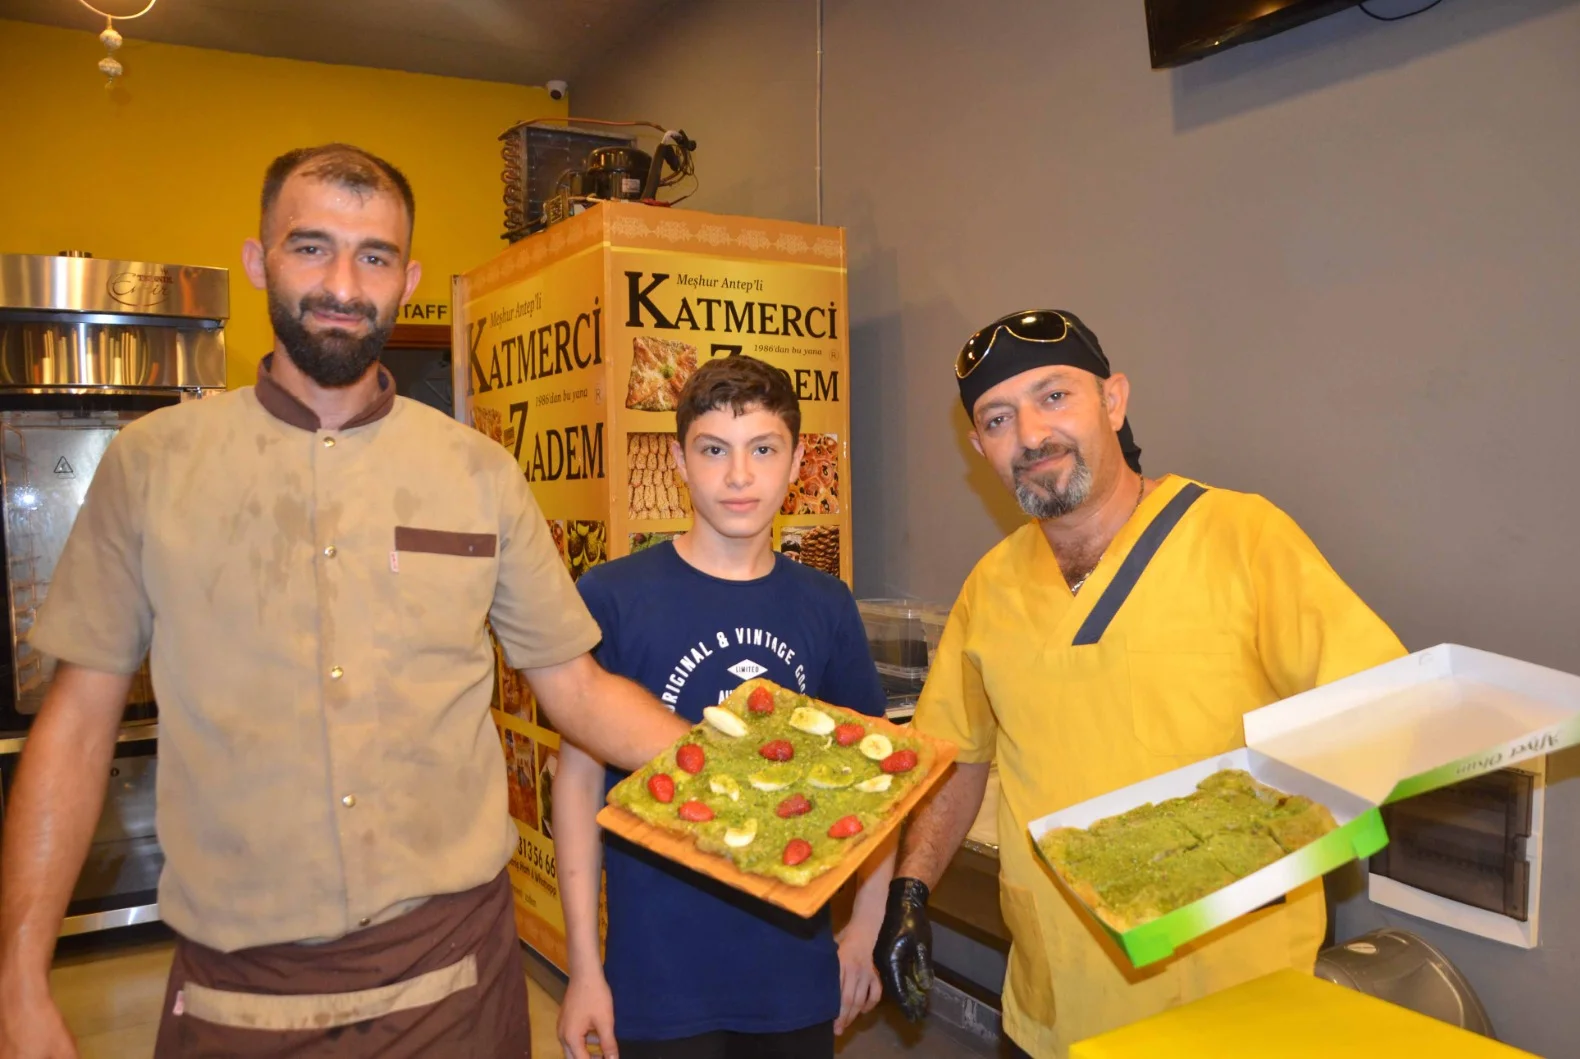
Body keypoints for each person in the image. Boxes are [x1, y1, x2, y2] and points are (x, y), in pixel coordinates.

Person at [0, 144, 686, 1059]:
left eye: (373, 257)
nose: (342, 285)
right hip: (241, 994)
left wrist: (744, 767)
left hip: (454, 977)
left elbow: (580, 691)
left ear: (407, 279)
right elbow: (77, 726)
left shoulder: (478, 473)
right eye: (311, 247)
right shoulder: (153, 466)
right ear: (259, 260)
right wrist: (18, 974)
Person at [873, 310, 1407, 1056]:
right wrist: (910, 889)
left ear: (1114, 400)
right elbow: (957, 757)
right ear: (979, 447)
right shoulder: (990, 587)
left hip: (1233, 1002)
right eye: (998, 418)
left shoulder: (1241, 537)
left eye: (1054, 396)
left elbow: (1378, 709)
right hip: (1056, 1004)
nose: (1030, 435)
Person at [553, 355, 893, 1059]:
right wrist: (584, 966)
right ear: (679, 461)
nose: (739, 476)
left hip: (792, 968)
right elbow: (579, 782)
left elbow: (877, 780)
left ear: (796, 462)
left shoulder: (826, 604)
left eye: (763, 449)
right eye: (714, 451)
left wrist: (865, 925)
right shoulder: (613, 596)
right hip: (659, 974)